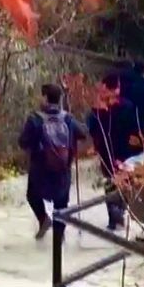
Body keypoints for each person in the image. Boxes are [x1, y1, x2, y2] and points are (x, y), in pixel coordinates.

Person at [18, 82, 89, 239]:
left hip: (40, 171)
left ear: (45, 97)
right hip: (62, 170)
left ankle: (44, 218)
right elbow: (83, 133)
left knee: (33, 196)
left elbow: (23, 142)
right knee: (61, 204)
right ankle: (59, 237)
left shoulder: (35, 119)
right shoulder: (68, 119)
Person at [88, 73, 139, 231]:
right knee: (123, 180)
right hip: (124, 150)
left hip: (106, 149)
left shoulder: (98, 110)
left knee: (110, 180)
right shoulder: (128, 106)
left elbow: (92, 129)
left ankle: (113, 215)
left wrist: (96, 145)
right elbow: (134, 129)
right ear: (117, 87)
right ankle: (121, 210)